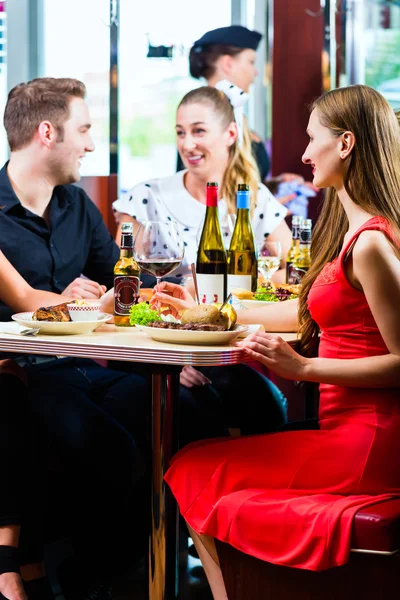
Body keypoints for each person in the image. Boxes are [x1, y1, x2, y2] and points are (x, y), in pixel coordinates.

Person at [151, 84, 400, 598]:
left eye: (313, 141)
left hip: (366, 445)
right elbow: (299, 312)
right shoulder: (355, 232)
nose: (304, 154)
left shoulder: (372, 242)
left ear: (347, 145)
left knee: (192, 465)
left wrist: (303, 370)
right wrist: (199, 309)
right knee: (195, 463)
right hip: (346, 433)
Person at [112, 83, 289, 437]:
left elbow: (285, 268)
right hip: (156, 347)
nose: (187, 143)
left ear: (230, 134)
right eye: (180, 132)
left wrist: (246, 295)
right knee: (199, 413)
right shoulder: (147, 197)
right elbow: (124, 281)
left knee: (268, 407)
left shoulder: (253, 198)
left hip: (224, 347)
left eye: (198, 131)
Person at [180, 24, 315, 206]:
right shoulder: (202, 120)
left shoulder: (234, 113)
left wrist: (273, 187)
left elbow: (233, 183)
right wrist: (262, 211)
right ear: (228, 64)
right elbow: (204, 195)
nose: (255, 71)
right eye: (251, 62)